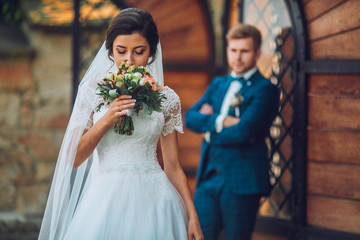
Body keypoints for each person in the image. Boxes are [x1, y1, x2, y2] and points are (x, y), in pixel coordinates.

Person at [38, 8, 203, 240]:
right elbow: (73, 158)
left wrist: (192, 216)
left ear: (152, 52)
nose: (129, 60)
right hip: (107, 200)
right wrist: (107, 119)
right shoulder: (92, 92)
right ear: (110, 51)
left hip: (156, 201)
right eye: (121, 51)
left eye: (139, 51)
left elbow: (173, 167)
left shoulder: (167, 99)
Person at [185, 23, 279, 240]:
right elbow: (191, 118)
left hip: (242, 182)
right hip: (208, 179)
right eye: (233, 50)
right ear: (228, 51)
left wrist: (207, 128)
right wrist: (221, 120)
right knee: (198, 236)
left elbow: (244, 131)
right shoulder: (218, 84)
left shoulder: (265, 89)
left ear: (257, 54)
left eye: (244, 51)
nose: (237, 57)